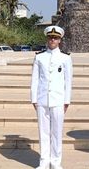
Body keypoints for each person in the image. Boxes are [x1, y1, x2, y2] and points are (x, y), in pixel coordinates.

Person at [31, 25, 73, 169]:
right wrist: (34, 99)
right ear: (47, 39)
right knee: (43, 132)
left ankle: (56, 162)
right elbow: (35, 79)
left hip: (58, 100)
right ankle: (43, 162)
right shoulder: (39, 57)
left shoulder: (65, 58)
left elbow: (68, 81)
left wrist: (66, 100)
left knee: (56, 133)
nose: (52, 40)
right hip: (42, 99)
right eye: (50, 37)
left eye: (55, 38)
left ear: (60, 40)